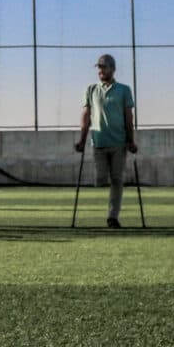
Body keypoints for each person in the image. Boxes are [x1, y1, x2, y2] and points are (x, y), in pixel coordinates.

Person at [74, 54, 137, 229]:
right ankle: (104, 209)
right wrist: (81, 140)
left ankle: (112, 217)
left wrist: (131, 141)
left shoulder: (124, 90)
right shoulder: (91, 89)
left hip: (118, 142)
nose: (101, 71)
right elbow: (86, 116)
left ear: (113, 69)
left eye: (104, 67)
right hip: (99, 142)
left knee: (117, 180)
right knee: (100, 179)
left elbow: (128, 117)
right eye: (99, 68)